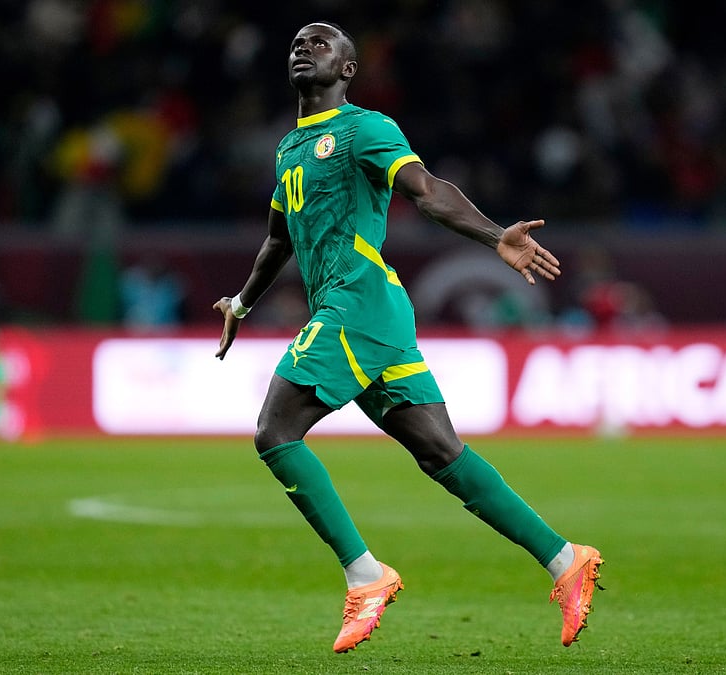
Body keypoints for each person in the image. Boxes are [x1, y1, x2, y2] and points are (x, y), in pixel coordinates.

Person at [212, 22, 602, 654]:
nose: (303, 46)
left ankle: (365, 574)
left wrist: (492, 232)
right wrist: (243, 301)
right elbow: (279, 240)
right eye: (296, 42)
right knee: (440, 453)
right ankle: (564, 559)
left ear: (348, 67)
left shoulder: (365, 128)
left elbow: (427, 192)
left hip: (357, 306)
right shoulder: (288, 149)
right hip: (374, 318)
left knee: (274, 431)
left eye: (321, 41)